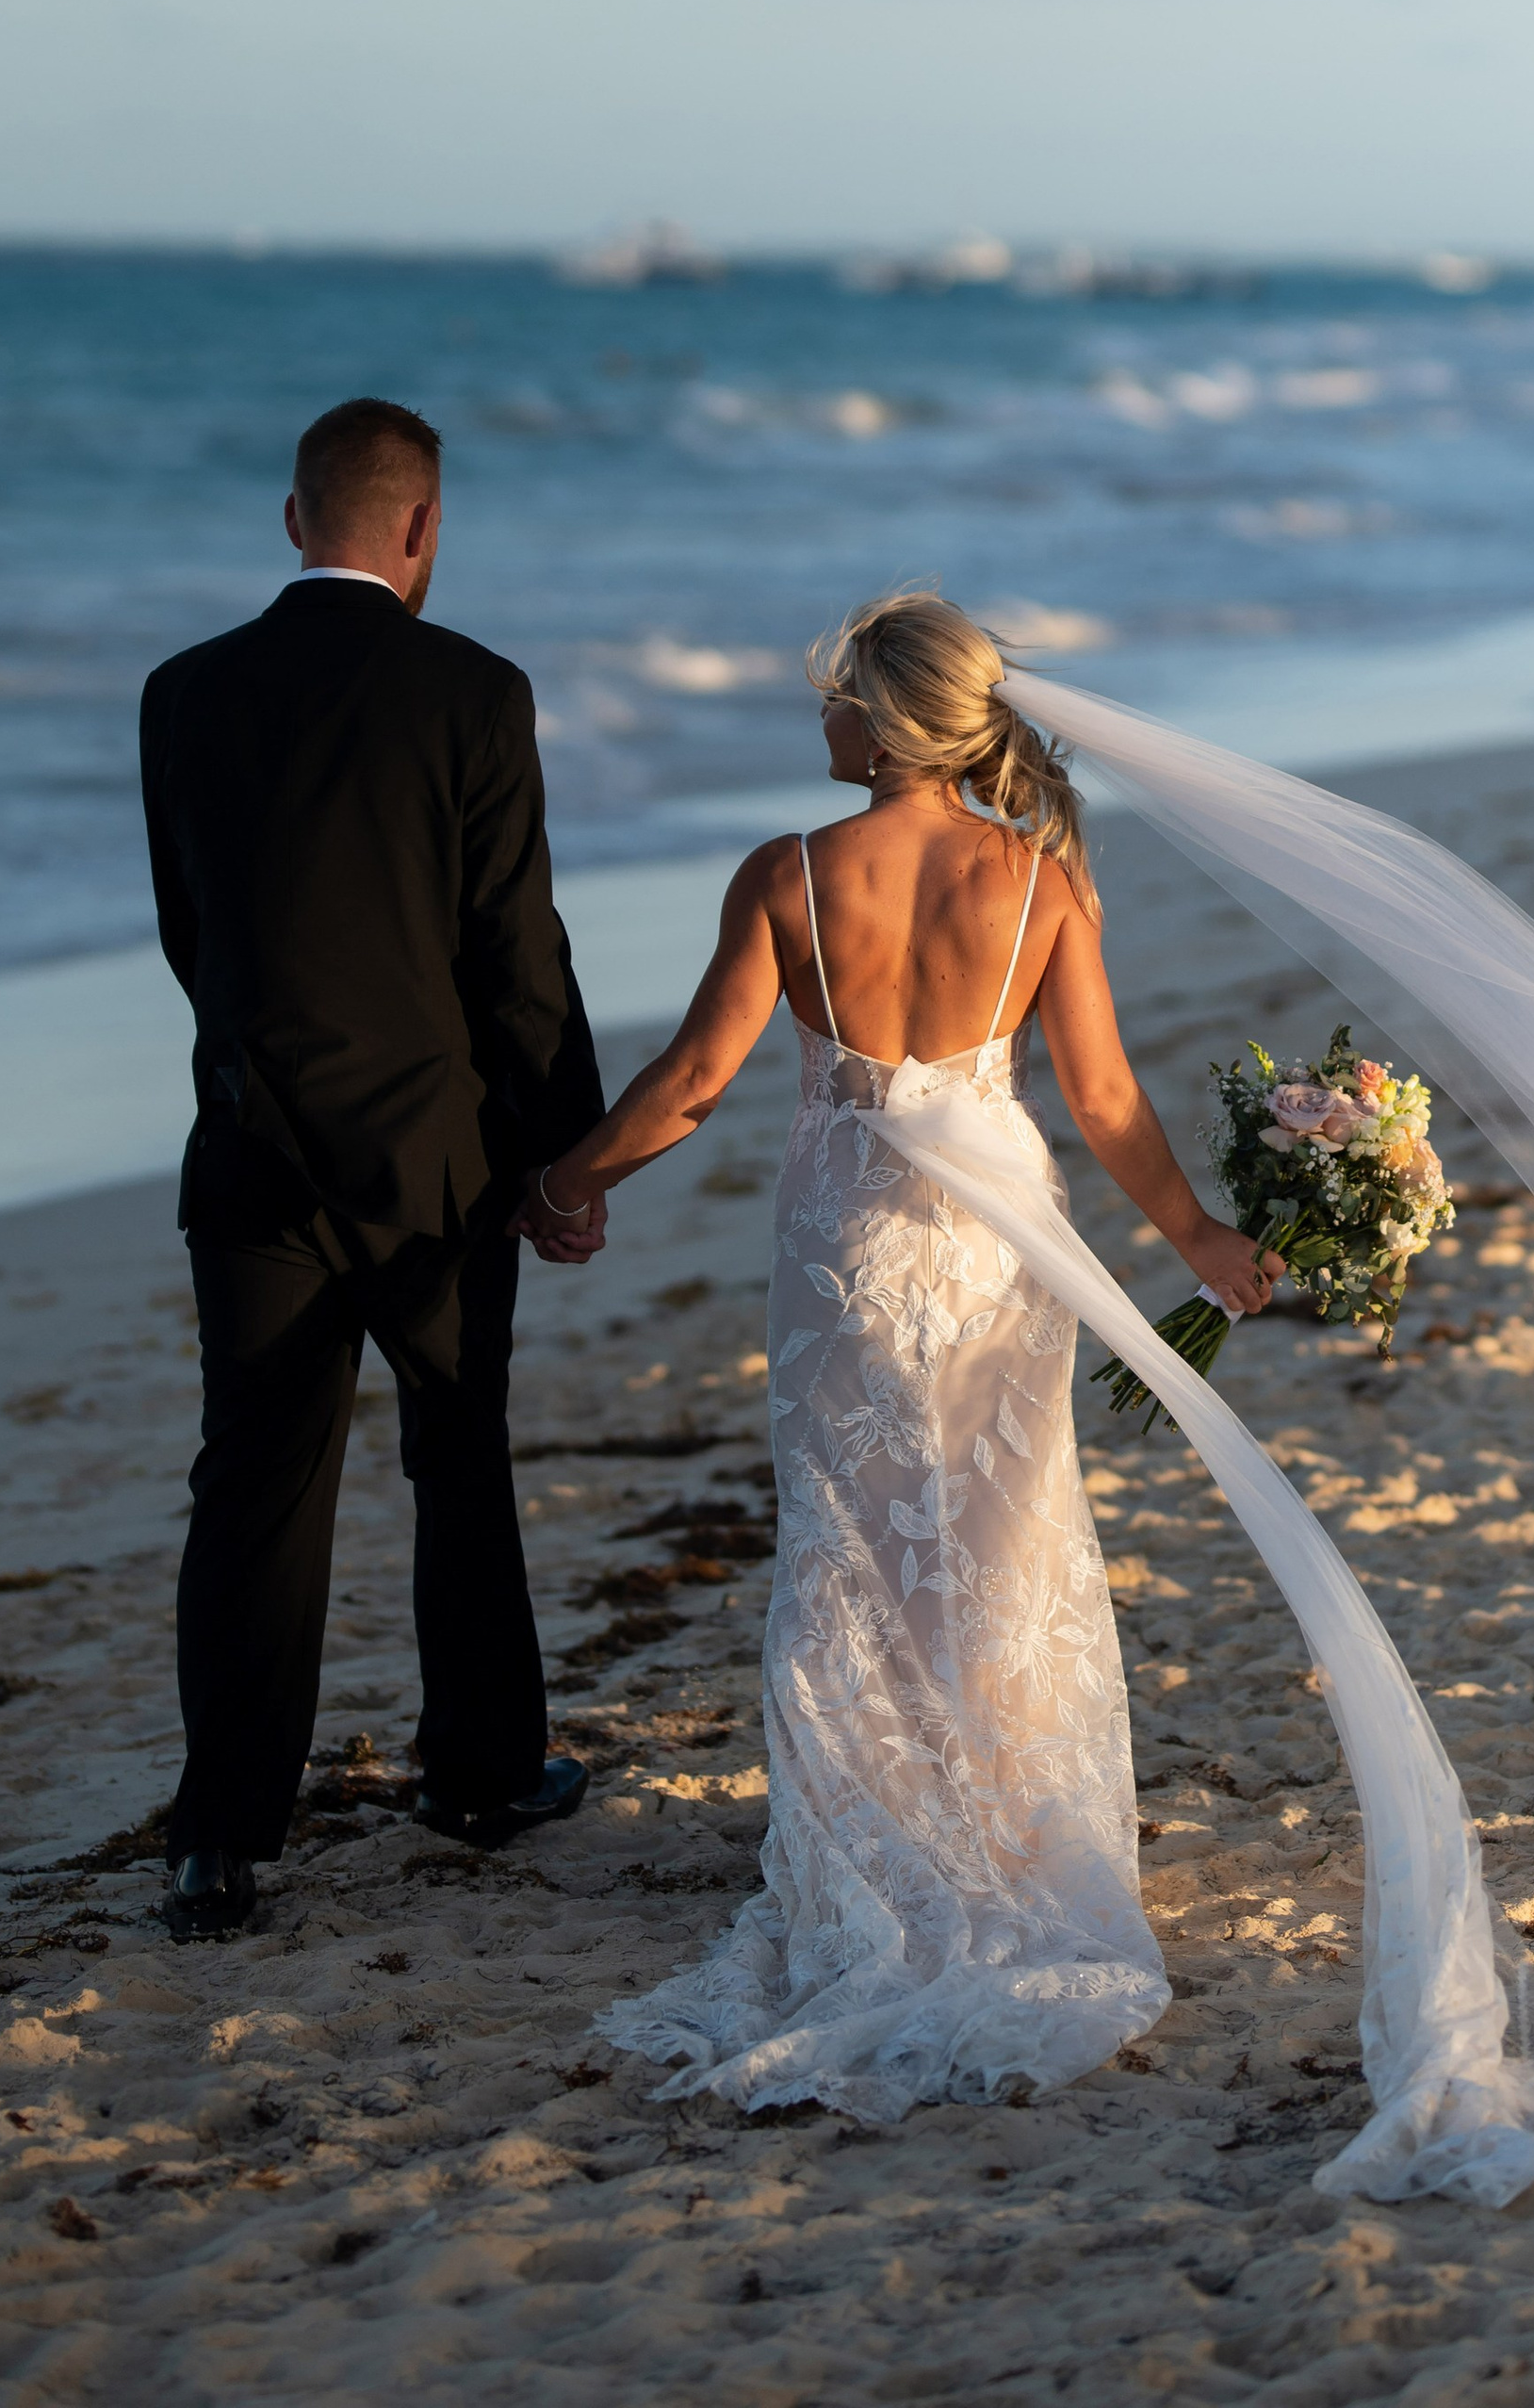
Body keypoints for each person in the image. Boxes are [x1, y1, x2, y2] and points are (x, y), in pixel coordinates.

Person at [530, 588, 1284, 2119]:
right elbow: (1108, 1100)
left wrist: (571, 1178)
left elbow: (688, 1081)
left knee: (852, 1542)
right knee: (1002, 1537)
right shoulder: (1039, 880)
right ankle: (1010, 1834)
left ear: (880, 720)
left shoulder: (789, 876)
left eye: (832, 695)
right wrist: (1201, 1241)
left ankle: (877, 1847)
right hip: (1003, 1248)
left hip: (851, 1243)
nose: (818, 717)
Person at [139, 396, 605, 1940]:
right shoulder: (477, 692)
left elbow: (190, 932)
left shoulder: (182, 694)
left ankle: (220, 1837)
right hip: (438, 1157)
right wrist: (569, 1148)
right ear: (421, 532)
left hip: (256, 1146)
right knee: (456, 1456)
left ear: (293, 521)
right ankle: (479, 1773)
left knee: (255, 1485)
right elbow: (513, 946)